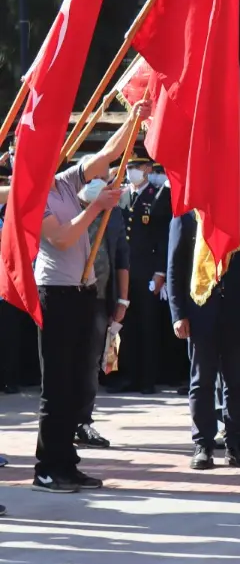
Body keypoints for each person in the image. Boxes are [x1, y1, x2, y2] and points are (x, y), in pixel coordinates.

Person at [23, 102, 148, 493]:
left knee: (78, 382)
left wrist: (133, 121)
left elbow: (108, 154)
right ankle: (47, 467)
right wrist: (96, 206)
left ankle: (67, 462)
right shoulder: (34, 195)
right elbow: (60, 237)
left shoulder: (64, 181)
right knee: (57, 383)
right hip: (56, 293)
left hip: (83, 290)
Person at [167, 208, 240, 471]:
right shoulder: (186, 216)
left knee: (238, 380)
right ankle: (203, 445)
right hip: (200, 309)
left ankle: (236, 444)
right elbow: (175, 267)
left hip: (239, 310)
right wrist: (178, 314)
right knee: (202, 381)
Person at [108, 154, 171, 394]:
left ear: (147, 168)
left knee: (148, 325)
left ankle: (147, 379)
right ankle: (128, 375)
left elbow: (164, 236)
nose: (132, 171)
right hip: (124, 270)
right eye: (129, 166)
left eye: (136, 167)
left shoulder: (157, 195)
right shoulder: (122, 196)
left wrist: (160, 272)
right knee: (126, 325)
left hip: (147, 271)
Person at [75, 184, 129, 450]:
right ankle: (59, 421)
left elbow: (121, 257)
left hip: (100, 297)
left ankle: (82, 422)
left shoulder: (114, 214)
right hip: (67, 295)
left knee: (91, 363)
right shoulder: (67, 208)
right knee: (64, 362)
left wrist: (122, 300)